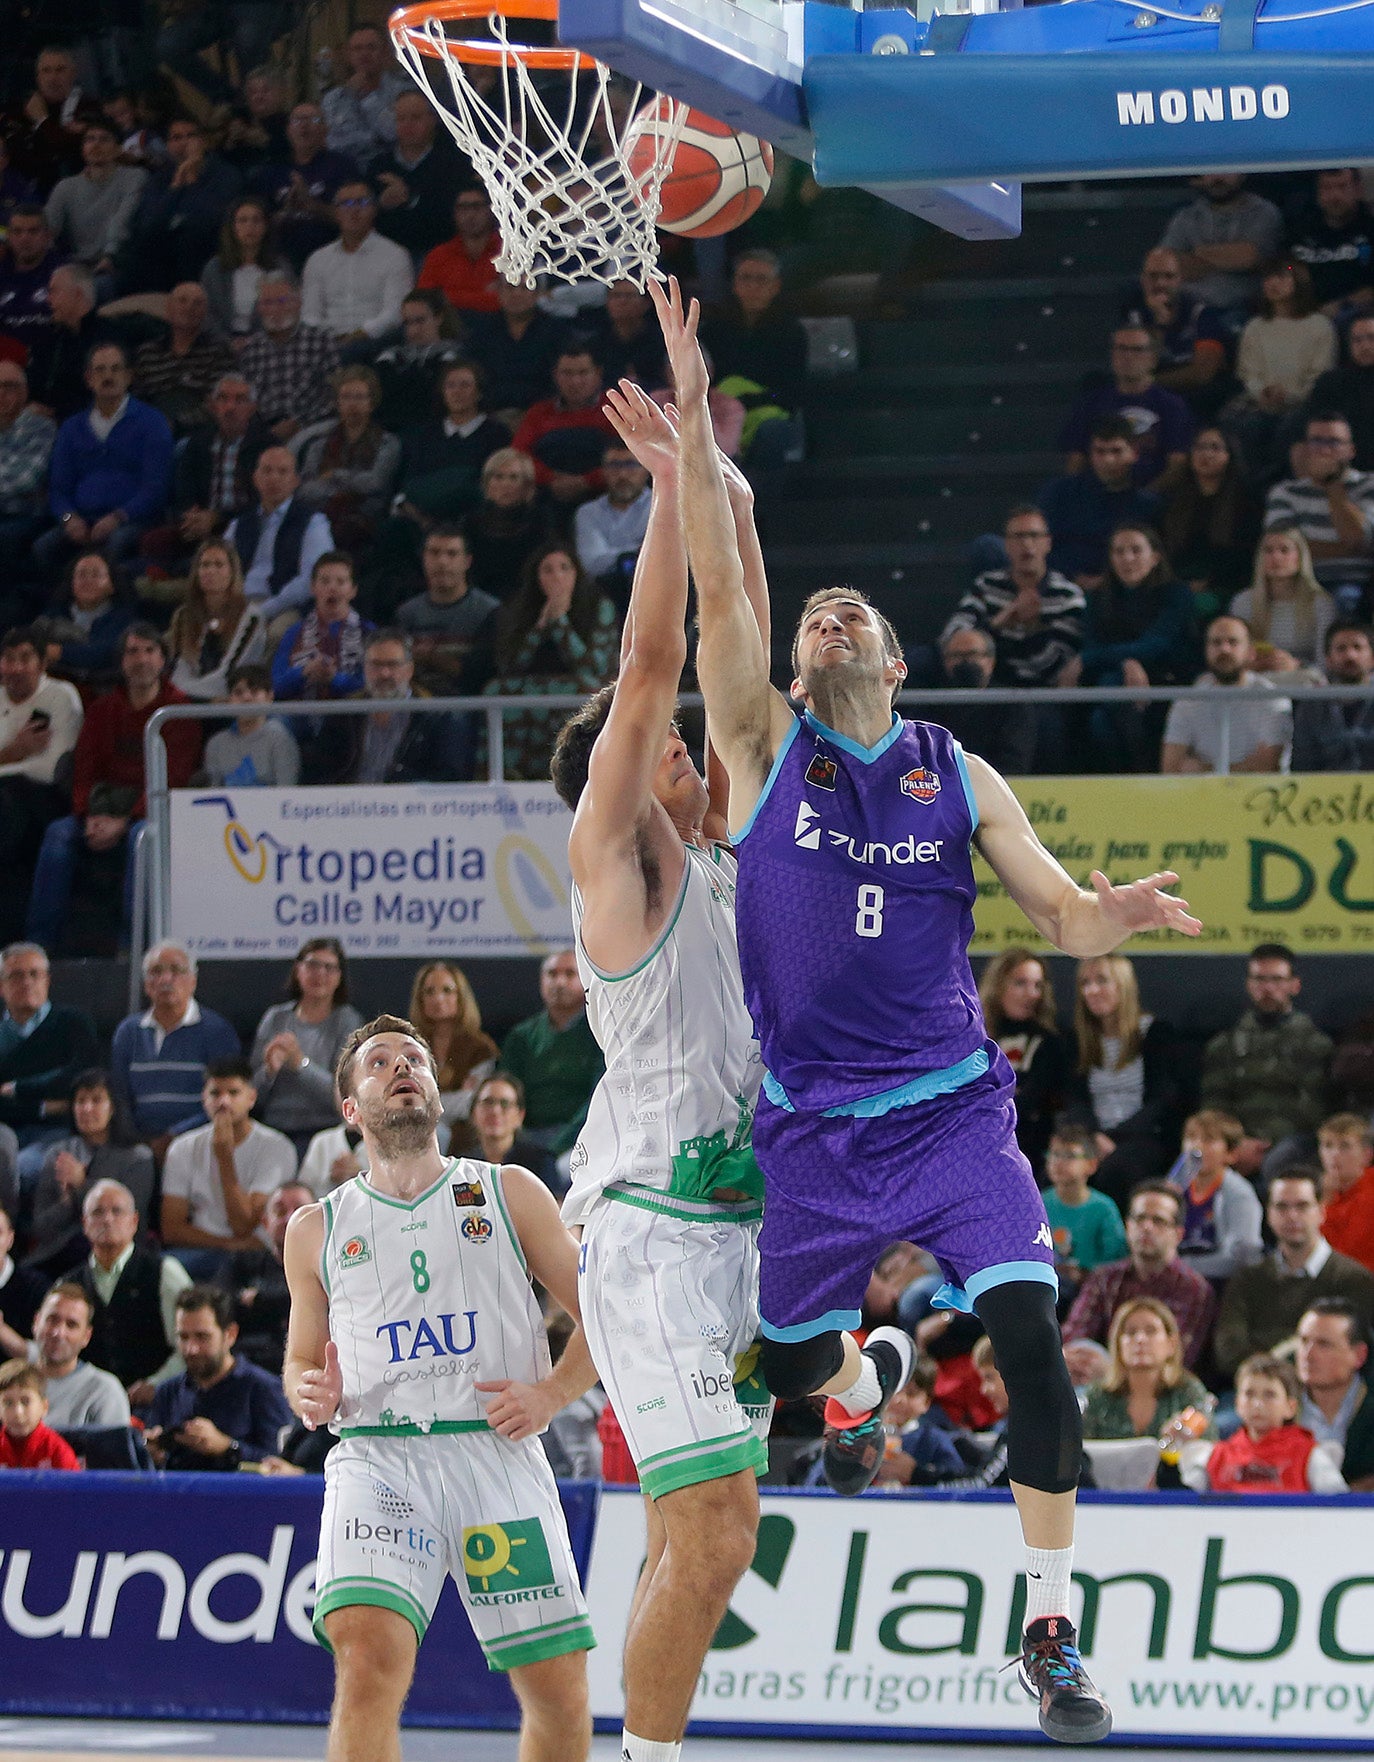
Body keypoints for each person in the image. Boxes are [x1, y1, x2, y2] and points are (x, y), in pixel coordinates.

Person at [654, 274, 1207, 1746]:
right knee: (784, 1367)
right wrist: (697, 422)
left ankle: (1046, 1630)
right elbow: (722, 582)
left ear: (894, 663)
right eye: (813, 610)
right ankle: (857, 1380)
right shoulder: (762, 748)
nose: (827, 613)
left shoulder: (953, 769)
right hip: (814, 1133)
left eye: (856, 611)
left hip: (955, 1112)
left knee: (1030, 1340)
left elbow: (1062, 915)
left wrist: (1116, 918)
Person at [546, 379, 775, 1762]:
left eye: (689, 745)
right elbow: (651, 665)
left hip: (733, 1229)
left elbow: (731, 632)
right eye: (664, 751)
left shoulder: (739, 857)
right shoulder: (616, 875)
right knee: (715, 1535)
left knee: (690, 1542)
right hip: (647, 1233)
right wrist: (659, 501)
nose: (683, 746)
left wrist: (717, 475)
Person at [282, 1014, 596, 1760]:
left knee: (556, 1689)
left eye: (415, 1059)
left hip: (495, 1458)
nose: (403, 1068)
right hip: (378, 1460)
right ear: (352, 1109)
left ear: (437, 1091)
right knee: (366, 1665)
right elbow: (299, 1359)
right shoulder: (315, 1228)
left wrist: (552, 1393)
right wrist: (308, 1392)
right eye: (381, 1062)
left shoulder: (509, 1190)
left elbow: (605, 1314)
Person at [26, 625, 200, 954]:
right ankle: (40, 948)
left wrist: (126, 819)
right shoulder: (102, 709)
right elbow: (84, 770)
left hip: (149, 813)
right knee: (57, 835)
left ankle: (130, 951)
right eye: (133, 652)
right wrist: (88, 814)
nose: (141, 660)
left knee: (141, 841)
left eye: (149, 651)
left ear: (162, 659)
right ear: (121, 662)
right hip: (100, 809)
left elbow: (173, 778)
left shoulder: (178, 710)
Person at [1213, 1170, 1374, 1379]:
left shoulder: (1355, 1280)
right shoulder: (1248, 1278)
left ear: (1321, 1211)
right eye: (1282, 1206)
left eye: (1302, 1206)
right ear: (1268, 1214)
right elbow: (1228, 1352)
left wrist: (1266, 1348)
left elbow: (1350, 1354)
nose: (1292, 1216)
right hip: (1254, 1394)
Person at [36, 340, 174, 580]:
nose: (108, 376)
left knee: (115, 545)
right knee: (43, 548)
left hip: (131, 520)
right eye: (100, 370)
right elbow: (58, 490)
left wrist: (118, 517)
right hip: (80, 520)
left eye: (115, 369)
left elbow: (155, 489)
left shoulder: (152, 423)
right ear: (89, 378)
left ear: (129, 376)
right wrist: (69, 520)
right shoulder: (72, 427)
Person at [482, 542, 619, 781]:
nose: (557, 576)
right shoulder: (521, 609)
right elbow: (510, 666)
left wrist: (560, 622)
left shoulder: (598, 606)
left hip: (579, 683)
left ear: (577, 573)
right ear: (536, 577)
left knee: (586, 690)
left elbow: (594, 666)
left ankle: (574, 770)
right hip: (531, 685)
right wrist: (539, 627)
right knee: (495, 690)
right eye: (548, 570)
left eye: (564, 568)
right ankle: (505, 771)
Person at [1199, 943, 1333, 1178]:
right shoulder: (1224, 1045)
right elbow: (1214, 1103)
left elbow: (1312, 1109)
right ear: (1249, 985)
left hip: (1294, 1142)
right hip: (1235, 1144)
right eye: (1260, 980)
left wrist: (1265, 1145)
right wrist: (1237, 1143)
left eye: (1277, 980)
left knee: (1278, 1162)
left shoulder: (1315, 1044)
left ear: (1294, 985)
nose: (1268, 988)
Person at [160, 1057, 297, 1278]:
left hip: (257, 1252)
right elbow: (172, 1228)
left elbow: (242, 1224)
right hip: (201, 1249)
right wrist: (229, 1244)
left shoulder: (277, 1147)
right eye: (215, 1094)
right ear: (203, 1098)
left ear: (251, 1098)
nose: (223, 1102)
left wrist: (225, 1158)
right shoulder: (182, 1147)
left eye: (233, 1093)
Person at [1078, 522, 1200, 771]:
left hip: (1170, 683)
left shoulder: (1176, 595)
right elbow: (1091, 642)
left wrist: (1096, 659)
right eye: (1119, 552)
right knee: (1104, 707)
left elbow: (1157, 644)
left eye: (1135, 550)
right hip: (1115, 690)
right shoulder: (1099, 599)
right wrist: (1126, 662)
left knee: (1110, 694)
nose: (1127, 559)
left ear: (1154, 557)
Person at [1064, 954, 1182, 1205]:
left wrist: (1114, 1138)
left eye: (1101, 981)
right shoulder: (1078, 1041)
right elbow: (1075, 1100)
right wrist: (1094, 1136)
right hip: (1092, 1137)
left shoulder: (1154, 1033)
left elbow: (1162, 1101)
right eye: (1085, 983)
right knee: (1058, 1171)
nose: (1092, 991)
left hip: (1142, 1137)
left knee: (1116, 1171)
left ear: (1123, 986)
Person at [1063, 1182, 1217, 1369]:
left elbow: (1175, 1358)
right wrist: (1078, 1358)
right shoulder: (1104, 1277)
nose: (1146, 1227)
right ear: (1128, 1226)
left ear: (1178, 1234)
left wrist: (1107, 1369)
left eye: (1158, 1221)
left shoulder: (1194, 1289)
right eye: (1139, 1218)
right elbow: (1075, 1333)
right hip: (1092, 1379)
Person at [146, 1282, 293, 1471]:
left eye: (202, 1337)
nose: (191, 1349)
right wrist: (152, 1451)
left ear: (230, 1335)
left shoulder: (263, 1390)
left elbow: (281, 1462)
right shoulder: (168, 1392)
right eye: (183, 1337)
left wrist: (226, 1447)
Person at [109, 941, 240, 1153]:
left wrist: (176, 1136)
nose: (166, 979)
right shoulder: (128, 1032)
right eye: (156, 972)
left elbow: (227, 1098)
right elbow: (120, 1097)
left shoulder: (216, 1031)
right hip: (139, 1144)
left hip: (200, 1140)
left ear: (193, 982)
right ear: (146, 984)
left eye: (176, 971)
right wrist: (137, 1140)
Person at [74, 1176, 192, 1403]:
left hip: (158, 1401)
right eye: (98, 1212)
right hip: (89, 1402)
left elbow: (189, 1345)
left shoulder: (165, 1272)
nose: (107, 1220)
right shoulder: (69, 1283)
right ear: (84, 1224)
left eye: (117, 1211)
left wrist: (156, 1384)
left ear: (135, 1221)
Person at [26, 1069, 154, 1277]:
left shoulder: (138, 1157)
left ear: (112, 1108)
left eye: (96, 1101)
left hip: (117, 1252)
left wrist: (82, 1184)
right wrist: (67, 1203)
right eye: (80, 1101)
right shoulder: (58, 1154)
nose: (86, 1109)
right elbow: (41, 1226)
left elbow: (129, 1220)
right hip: (58, 1253)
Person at [944, 505, 1085, 691]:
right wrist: (997, 623)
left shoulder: (1067, 596)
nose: (1027, 544)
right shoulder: (987, 586)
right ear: (1006, 545)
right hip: (991, 690)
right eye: (1019, 537)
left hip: (1045, 695)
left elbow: (1057, 667)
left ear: (1048, 542)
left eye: (1034, 536)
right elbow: (952, 637)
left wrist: (1033, 627)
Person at [0, 631, 83, 940]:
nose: (16, 668)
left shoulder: (61, 697)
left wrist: (6, 762)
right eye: (9, 659)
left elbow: (50, 769)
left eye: (25, 659)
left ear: (42, 664)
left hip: (46, 800)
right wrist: (14, 752)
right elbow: (23, 759)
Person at [249, 939, 363, 1157]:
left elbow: (344, 1095)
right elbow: (251, 1093)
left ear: (339, 977)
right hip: (275, 1128)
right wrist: (269, 1072)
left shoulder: (347, 1021)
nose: (320, 974)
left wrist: (300, 1064)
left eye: (329, 968)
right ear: (297, 970)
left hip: (326, 1130)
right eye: (312, 965)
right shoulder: (276, 1018)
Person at [300, 627, 457, 785]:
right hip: (348, 803)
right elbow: (320, 770)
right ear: (365, 668)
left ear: (409, 670)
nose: (384, 674)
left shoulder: (435, 716)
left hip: (406, 804)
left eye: (392, 665)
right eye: (376, 665)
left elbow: (446, 777)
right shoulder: (344, 711)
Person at [1181, 1353, 1345, 1493]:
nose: (1257, 1404)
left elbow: (1340, 1507)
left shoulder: (1309, 1455)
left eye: (1269, 1395)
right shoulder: (1215, 1456)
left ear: (1290, 1407)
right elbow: (1182, 1506)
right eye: (1249, 1394)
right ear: (1238, 1404)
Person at [1060, 325, 1193, 493]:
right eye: (1121, 349)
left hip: (1154, 503)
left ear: (1153, 358)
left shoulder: (1172, 406)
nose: (1128, 356)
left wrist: (1141, 500)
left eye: (1137, 350)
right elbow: (1076, 460)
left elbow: (1178, 465)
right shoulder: (1091, 403)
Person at [1265, 410, 1374, 613]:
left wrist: (1332, 485)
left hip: (1358, 585)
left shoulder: (1369, 486)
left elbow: (1356, 538)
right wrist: (1350, 550)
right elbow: (1281, 549)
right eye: (1316, 441)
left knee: (1346, 599)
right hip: (1299, 584)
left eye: (1333, 442)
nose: (1324, 450)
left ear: (1350, 450)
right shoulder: (1285, 492)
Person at [500, 949, 604, 1160]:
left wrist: (559, 1144)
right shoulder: (522, 1036)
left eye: (569, 974)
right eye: (552, 974)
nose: (559, 982)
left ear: (585, 979)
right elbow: (507, 1090)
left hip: (580, 1140)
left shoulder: (600, 1033)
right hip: (526, 1137)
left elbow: (599, 1097)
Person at [1160, 613, 1291, 774]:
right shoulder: (1187, 701)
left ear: (1251, 652)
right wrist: (1244, 767)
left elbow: (1267, 767)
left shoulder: (1272, 697)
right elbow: (1170, 769)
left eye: (1233, 642)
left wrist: (1202, 770)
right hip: (1202, 795)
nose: (1224, 649)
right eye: (1216, 642)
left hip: (1259, 795)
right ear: (1206, 650)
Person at [977, 946, 1069, 1173]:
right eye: (1020, 983)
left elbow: (1031, 1101)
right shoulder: (975, 1037)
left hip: (1028, 1146)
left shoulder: (1049, 1041)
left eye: (1037, 985)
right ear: (998, 986)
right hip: (975, 1138)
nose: (1031, 994)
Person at [1038, 418, 1161, 588]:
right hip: (1057, 583)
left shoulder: (1148, 505)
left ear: (1134, 453)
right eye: (1100, 452)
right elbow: (1038, 544)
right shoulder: (1059, 493)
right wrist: (1074, 576)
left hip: (1124, 589)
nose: (1108, 460)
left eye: (1116, 451)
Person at [291, 363, 400, 551]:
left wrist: (334, 476)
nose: (352, 403)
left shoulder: (387, 443)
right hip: (321, 514)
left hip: (366, 518)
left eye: (359, 397)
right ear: (338, 402)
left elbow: (375, 483)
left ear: (371, 402)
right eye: (346, 397)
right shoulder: (319, 443)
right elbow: (304, 489)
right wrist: (339, 492)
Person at [224, 445, 335, 629]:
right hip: (240, 603)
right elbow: (222, 567)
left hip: (286, 606)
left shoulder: (313, 522)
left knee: (277, 633)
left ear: (295, 480)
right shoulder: (239, 524)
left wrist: (265, 610)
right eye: (267, 471)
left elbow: (313, 578)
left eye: (282, 472)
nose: (274, 478)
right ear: (255, 478)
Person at [1159, 427, 1262, 621]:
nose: (1206, 454)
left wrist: (1209, 581)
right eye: (1200, 447)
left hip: (1225, 586)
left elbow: (1245, 555)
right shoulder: (1174, 498)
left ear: (1229, 455)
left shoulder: (1246, 502)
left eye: (1215, 448)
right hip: (1178, 581)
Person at [1079, 1296, 1214, 1441]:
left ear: (1171, 1344)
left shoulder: (1188, 1391)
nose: (1140, 1339)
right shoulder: (1097, 1395)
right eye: (1131, 1332)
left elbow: (1209, 1445)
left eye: (1151, 1331)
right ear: (1118, 1345)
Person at [1157, 173, 1284, 321]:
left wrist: (1196, 254)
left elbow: (1248, 257)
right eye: (1210, 171)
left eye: (1226, 171)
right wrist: (1225, 257)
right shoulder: (1186, 216)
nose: (1218, 178)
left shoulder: (1264, 212)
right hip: (1188, 309)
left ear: (1242, 174)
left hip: (1245, 310)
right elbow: (1166, 264)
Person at [300, 180, 412, 348]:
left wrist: (359, 336)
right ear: (336, 212)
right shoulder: (318, 259)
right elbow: (310, 314)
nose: (354, 210)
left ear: (374, 209)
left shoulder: (395, 255)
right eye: (346, 204)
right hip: (327, 344)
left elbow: (395, 313)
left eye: (362, 202)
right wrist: (327, 340)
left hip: (375, 342)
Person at [253, 101, 361, 274]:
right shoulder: (271, 171)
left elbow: (356, 218)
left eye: (313, 120)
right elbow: (255, 223)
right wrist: (285, 213)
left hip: (334, 257)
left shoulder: (342, 167)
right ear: (288, 130)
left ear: (326, 129)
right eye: (297, 121)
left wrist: (312, 205)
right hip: (280, 260)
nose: (304, 125)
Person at [393, 524, 499, 697]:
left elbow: (483, 674)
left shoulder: (489, 612)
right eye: (434, 553)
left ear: (467, 561)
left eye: (452, 554)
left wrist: (431, 658)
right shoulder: (406, 613)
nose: (442, 562)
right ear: (423, 559)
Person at [1118, 246, 1229, 409]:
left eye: (1168, 276)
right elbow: (1133, 365)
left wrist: (1150, 382)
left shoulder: (1202, 313)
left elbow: (1202, 373)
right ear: (1143, 279)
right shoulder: (1134, 313)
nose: (1160, 283)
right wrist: (1159, 323)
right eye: (1153, 276)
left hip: (1191, 394)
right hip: (1147, 392)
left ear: (1180, 279)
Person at [237, 272, 341, 441]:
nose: (276, 309)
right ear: (259, 308)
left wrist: (299, 424)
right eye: (268, 302)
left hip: (313, 426)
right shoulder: (251, 350)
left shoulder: (322, 340)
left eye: (283, 301)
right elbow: (247, 399)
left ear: (298, 303)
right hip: (264, 430)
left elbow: (334, 393)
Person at [225, 1178, 313, 1374]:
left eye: (299, 1211)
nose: (289, 1219)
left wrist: (258, 1299)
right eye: (280, 1212)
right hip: (249, 1368)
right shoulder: (242, 1263)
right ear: (265, 1222)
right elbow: (221, 1304)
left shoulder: (330, 1266)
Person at [511, 344, 616, 504]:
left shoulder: (615, 408)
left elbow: (631, 456)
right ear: (555, 375)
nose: (575, 381)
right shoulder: (538, 412)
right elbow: (519, 455)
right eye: (567, 373)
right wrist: (552, 479)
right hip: (545, 496)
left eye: (583, 373)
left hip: (607, 495)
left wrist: (587, 481)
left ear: (598, 374)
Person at [1233, 260, 1336, 423]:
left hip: (1306, 408)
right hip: (1258, 408)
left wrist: (1289, 396)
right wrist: (1263, 392)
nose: (1273, 282)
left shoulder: (1320, 326)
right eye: (1268, 277)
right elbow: (1248, 373)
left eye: (1282, 276)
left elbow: (1321, 375)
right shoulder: (1254, 327)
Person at [1168, 1108, 1264, 1281]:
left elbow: (1242, 1257)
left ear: (1231, 1154)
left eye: (1208, 1140)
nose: (1196, 1146)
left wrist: (1179, 1267)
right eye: (1191, 1138)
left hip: (1220, 1285)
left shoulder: (1240, 1195)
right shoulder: (1174, 1188)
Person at [42, 120, 145, 281]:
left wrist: (110, 256)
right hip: (77, 266)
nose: (96, 145)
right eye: (90, 139)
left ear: (118, 149)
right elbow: (48, 228)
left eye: (104, 139)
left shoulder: (134, 177)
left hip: (119, 263)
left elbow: (122, 219)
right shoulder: (66, 187)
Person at [129, 280, 235, 435]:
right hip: (151, 431)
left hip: (200, 433)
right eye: (182, 301)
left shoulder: (219, 351)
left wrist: (176, 424)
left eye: (197, 303)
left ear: (205, 312)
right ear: (169, 309)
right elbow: (135, 400)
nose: (189, 308)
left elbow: (219, 403)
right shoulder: (147, 353)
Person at [1229, 524, 1337, 675]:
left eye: (1284, 550)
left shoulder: (1320, 603)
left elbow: (1327, 662)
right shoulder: (1243, 602)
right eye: (1268, 551)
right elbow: (1234, 656)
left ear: (1299, 557)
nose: (1276, 557)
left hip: (1304, 683)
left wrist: (1297, 666)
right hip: (1255, 682)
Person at [168, 536, 266, 701]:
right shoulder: (183, 616)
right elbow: (178, 671)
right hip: (186, 702)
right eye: (205, 565)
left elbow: (228, 676)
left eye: (219, 565)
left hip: (229, 701)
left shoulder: (251, 617)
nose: (210, 571)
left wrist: (186, 695)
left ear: (232, 572)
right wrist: (185, 697)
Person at [24, 1281, 130, 1429]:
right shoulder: (8, 1383)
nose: (58, 1333)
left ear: (86, 1336)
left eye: (71, 1325)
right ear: (36, 1322)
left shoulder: (105, 1391)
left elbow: (115, 1450)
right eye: (52, 1320)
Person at [405, 959, 497, 1129]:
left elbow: (471, 1103)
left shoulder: (481, 1048)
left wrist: (420, 1104)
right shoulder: (408, 1045)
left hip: (465, 1133)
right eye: (429, 992)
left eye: (447, 991)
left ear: (461, 997)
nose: (438, 999)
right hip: (414, 1127)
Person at [373, 92, 465, 261]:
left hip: (439, 254)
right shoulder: (379, 166)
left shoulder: (452, 164)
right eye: (401, 119)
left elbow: (451, 216)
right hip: (386, 256)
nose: (408, 125)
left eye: (415, 118)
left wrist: (410, 198)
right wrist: (380, 204)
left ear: (432, 120)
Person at [269, 551, 370, 703]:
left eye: (340, 582)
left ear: (353, 590)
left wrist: (335, 679)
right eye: (325, 581)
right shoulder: (294, 632)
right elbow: (274, 686)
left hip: (351, 717)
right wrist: (304, 672)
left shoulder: (368, 633)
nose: (332, 588)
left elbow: (371, 685)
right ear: (313, 588)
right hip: (297, 716)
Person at [1296, 1297, 1374, 1488]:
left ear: (1359, 1355)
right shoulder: (1274, 1404)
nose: (1308, 1355)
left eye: (1324, 1344)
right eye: (1303, 1341)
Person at [461, 445, 555, 599]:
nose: (506, 484)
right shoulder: (470, 524)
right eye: (498, 477)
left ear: (527, 486)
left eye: (513, 477)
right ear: (486, 484)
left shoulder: (541, 522)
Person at [1041, 1123, 1128, 1288]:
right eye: (1054, 1154)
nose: (1058, 1163)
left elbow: (1116, 1260)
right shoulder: (1039, 1202)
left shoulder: (1104, 1209)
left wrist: (1084, 1274)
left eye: (1069, 1156)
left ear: (1091, 1165)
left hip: (1092, 1288)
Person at [373, 291, 467, 440]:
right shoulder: (389, 356)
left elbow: (432, 396)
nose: (414, 329)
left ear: (438, 318)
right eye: (408, 322)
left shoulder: (454, 356)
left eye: (420, 321)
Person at [469, 275, 568, 417]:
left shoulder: (556, 331)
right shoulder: (481, 332)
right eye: (510, 287)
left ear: (536, 293)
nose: (517, 294)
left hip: (544, 414)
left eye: (525, 287)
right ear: (499, 292)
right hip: (489, 414)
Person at [41, 549, 135, 696]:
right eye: (81, 575)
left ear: (112, 585)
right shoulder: (53, 615)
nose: (87, 580)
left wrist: (58, 652)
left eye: (96, 575)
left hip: (101, 692)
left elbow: (105, 653)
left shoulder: (123, 619)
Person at [0, 359, 56, 601]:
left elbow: (27, 479)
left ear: (24, 392)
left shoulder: (41, 427)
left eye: (9, 386)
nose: (1, 393)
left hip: (26, 514)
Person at [1287, 168, 1374, 317]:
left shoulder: (1369, 228)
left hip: (1357, 315)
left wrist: (1343, 304)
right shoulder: (1300, 227)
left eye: (1342, 187)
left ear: (1358, 190)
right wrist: (1291, 269)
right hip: (1305, 313)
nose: (1335, 196)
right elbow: (1284, 267)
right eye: (1327, 188)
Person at [321, 23, 409, 167]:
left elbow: (393, 133)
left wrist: (367, 97)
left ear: (385, 52)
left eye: (371, 47)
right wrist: (374, 139)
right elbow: (331, 143)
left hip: (391, 167)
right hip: (343, 170)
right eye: (357, 49)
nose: (364, 54)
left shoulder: (402, 92)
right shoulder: (333, 99)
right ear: (348, 55)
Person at [1291, 619, 1374, 770]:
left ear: (1372, 658)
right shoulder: (1311, 706)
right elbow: (1302, 765)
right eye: (1341, 649)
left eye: (1358, 647)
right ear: (1328, 659)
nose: (1350, 655)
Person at [203, 661, 300, 786]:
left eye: (254, 691)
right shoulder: (215, 744)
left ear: (269, 697)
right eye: (238, 693)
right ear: (229, 700)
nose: (246, 698)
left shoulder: (280, 738)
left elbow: (287, 790)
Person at [573, 438, 650, 594]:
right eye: (614, 465)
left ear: (646, 468)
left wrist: (613, 557)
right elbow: (591, 564)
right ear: (603, 471)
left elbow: (664, 562)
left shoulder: (665, 508)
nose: (622, 474)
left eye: (630, 465)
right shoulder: (588, 513)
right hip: (601, 594)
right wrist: (636, 552)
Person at [200, 195, 280, 341]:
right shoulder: (215, 268)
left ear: (266, 226)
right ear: (232, 227)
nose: (250, 226)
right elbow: (207, 313)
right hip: (220, 346)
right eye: (243, 220)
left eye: (256, 220)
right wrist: (228, 342)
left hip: (267, 345)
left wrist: (253, 342)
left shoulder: (279, 267)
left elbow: (286, 312)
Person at [417, 185, 504, 316]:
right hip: (449, 330)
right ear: (454, 213)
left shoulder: (509, 252)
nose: (470, 215)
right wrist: (486, 296)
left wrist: (448, 297)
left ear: (491, 210)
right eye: (463, 208)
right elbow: (424, 303)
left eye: (477, 207)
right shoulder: (438, 256)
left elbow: (517, 301)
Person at [466, 1072, 556, 1193]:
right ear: (473, 1113)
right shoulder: (464, 1166)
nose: (495, 1111)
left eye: (505, 1104)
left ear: (520, 1116)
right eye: (488, 1102)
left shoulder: (540, 1162)